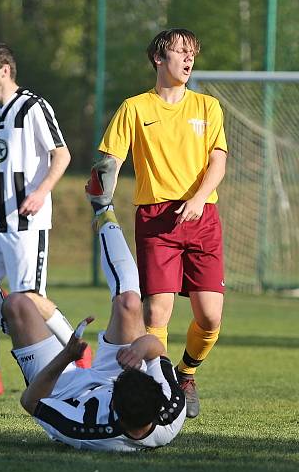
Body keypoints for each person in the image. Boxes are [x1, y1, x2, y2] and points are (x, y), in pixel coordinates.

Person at [86, 28, 227, 418]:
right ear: (158, 59)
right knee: (156, 314)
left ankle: (186, 373)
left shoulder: (208, 107)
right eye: (180, 51)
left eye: (192, 52)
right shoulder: (135, 108)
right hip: (156, 219)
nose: (188, 58)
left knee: (210, 316)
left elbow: (218, 161)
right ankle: (164, 387)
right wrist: (101, 194)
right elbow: (109, 161)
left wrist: (198, 200)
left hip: (203, 216)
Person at [0, 206, 186, 451]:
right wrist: (139, 350)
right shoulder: (171, 410)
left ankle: (13, 325)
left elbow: (30, 401)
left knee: (17, 303)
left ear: (114, 407)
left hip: (63, 393)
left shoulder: (83, 430)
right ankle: (103, 207)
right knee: (129, 303)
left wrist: (67, 356)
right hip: (114, 382)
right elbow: (156, 349)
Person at [0, 42, 88, 396]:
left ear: (5, 70)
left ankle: (79, 352)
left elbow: (62, 155)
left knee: (29, 298)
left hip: (27, 220)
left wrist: (41, 192)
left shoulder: (33, 107)